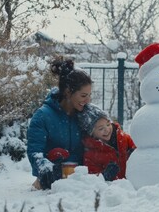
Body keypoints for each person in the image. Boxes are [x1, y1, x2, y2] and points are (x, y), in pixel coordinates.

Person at [27, 58, 92, 190]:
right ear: (68, 92)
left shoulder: (86, 115)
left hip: (80, 181)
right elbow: (35, 152)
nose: (88, 100)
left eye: (89, 95)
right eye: (84, 95)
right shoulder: (43, 116)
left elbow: (104, 134)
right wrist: (46, 169)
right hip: (51, 182)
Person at [77, 103, 136, 181]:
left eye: (108, 124)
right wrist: (105, 176)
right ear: (91, 133)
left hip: (132, 183)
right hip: (112, 190)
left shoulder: (124, 139)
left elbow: (139, 149)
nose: (107, 130)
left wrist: (134, 153)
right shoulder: (91, 155)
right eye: (101, 129)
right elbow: (92, 178)